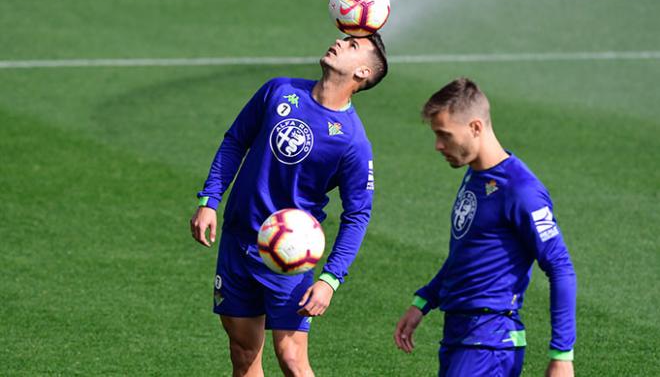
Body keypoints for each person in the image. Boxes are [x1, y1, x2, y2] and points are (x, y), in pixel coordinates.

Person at [190, 33, 388, 377]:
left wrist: (330, 279)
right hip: (239, 241)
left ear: (362, 74)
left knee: (292, 359)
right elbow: (236, 140)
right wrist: (210, 199)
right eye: (342, 38)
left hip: (289, 256)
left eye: (352, 46)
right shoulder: (279, 90)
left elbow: (357, 215)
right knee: (243, 352)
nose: (339, 43)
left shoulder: (354, 142)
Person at [394, 78, 576, 377]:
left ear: (475, 127)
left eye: (444, 135)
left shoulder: (521, 190)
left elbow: (560, 267)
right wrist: (424, 300)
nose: (438, 145)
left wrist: (561, 355)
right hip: (461, 336)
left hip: (490, 343)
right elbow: (467, 252)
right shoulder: (475, 177)